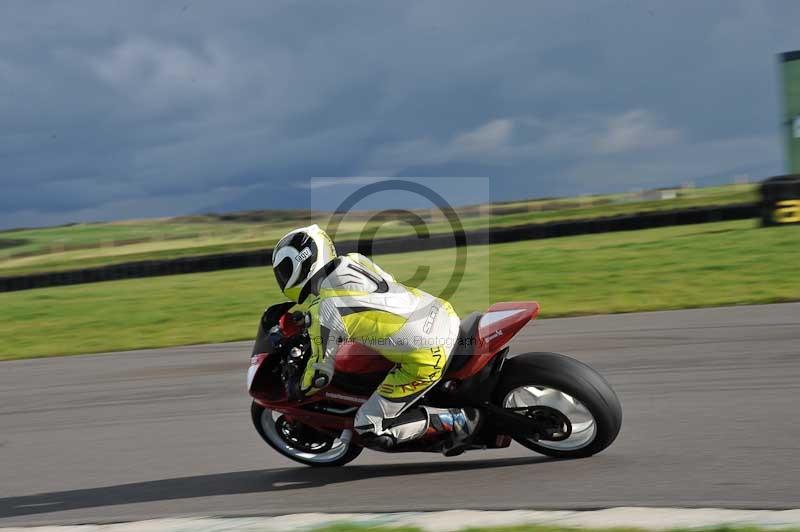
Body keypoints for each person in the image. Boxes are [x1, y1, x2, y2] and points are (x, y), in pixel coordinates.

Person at [271, 224, 480, 453]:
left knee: (368, 427)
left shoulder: (324, 311)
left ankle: (457, 420)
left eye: (284, 270)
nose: (282, 277)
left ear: (302, 263)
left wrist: (297, 389)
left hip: (428, 353)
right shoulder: (354, 261)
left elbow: (321, 374)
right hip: (443, 314)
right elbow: (382, 293)